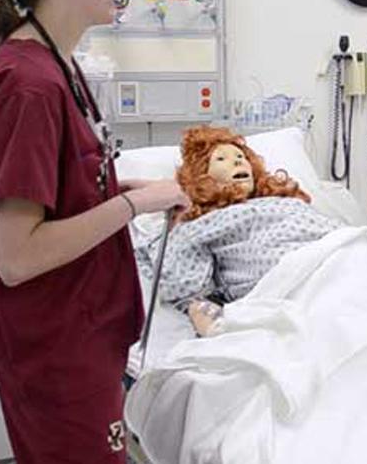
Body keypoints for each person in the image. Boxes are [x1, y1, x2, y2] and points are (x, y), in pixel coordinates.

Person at [0, 0, 189, 464]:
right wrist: (131, 207)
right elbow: (16, 255)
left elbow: (59, 192)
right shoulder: (27, 85)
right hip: (57, 350)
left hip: (81, 335)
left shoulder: (57, 67)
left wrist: (116, 189)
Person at [138, 125, 335, 337]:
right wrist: (197, 308)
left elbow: (329, 230)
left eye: (241, 156)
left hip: (336, 253)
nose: (238, 161)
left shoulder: (284, 201)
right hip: (293, 277)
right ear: (202, 177)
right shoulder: (207, 221)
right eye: (221, 159)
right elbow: (181, 282)